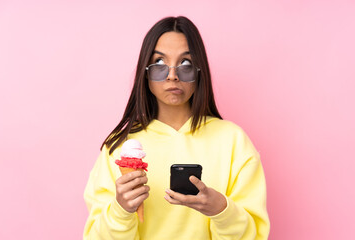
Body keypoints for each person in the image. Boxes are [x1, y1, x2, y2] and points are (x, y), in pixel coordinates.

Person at [83, 16, 270, 240]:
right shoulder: (118, 145)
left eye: (186, 64)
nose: (172, 76)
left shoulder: (233, 141)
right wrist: (121, 210)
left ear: (200, 72)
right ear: (145, 73)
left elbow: (253, 236)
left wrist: (222, 210)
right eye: (160, 64)